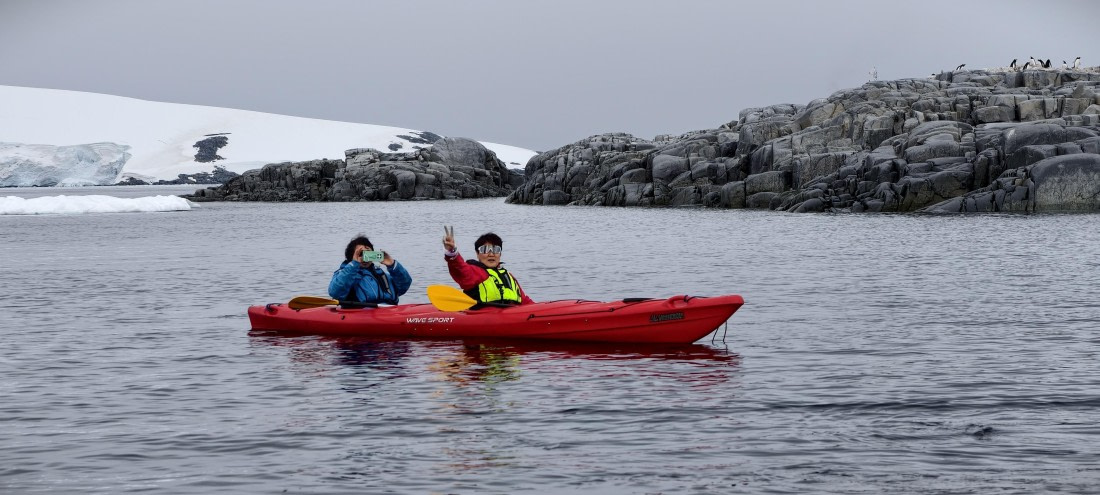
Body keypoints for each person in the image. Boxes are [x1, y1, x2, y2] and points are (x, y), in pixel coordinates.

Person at [442, 226, 534, 306]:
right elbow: (459, 267)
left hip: (512, 315)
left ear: (500, 254)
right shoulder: (474, 273)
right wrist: (452, 252)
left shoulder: (509, 276)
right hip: (484, 317)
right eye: (485, 249)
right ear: (477, 254)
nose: (491, 254)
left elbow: (525, 301)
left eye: (496, 249)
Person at [328, 235, 411, 306]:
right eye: (361, 254)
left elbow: (404, 286)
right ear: (352, 256)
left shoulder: (381, 275)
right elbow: (335, 292)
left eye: (368, 253)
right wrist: (354, 265)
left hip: (388, 312)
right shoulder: (343, 274)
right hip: (361, 314)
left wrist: (393, 265)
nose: (365, 258)